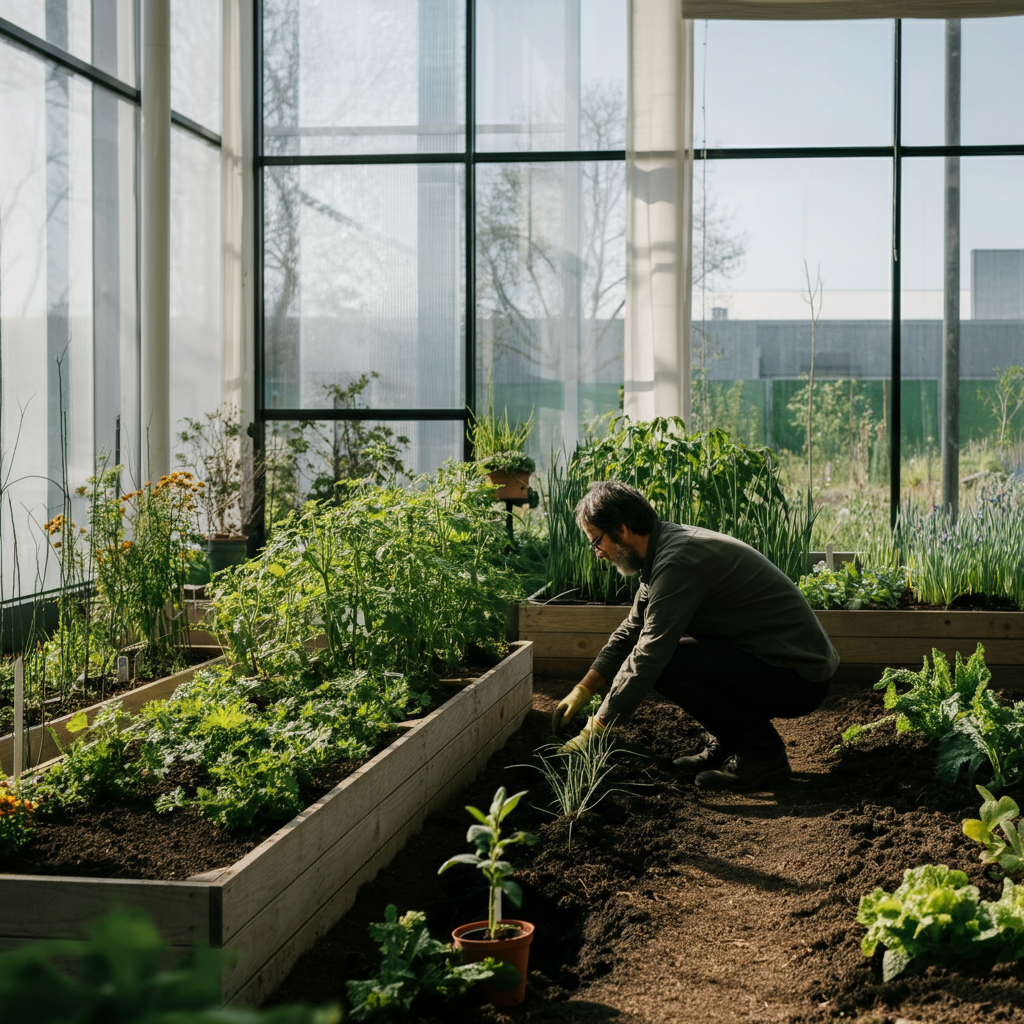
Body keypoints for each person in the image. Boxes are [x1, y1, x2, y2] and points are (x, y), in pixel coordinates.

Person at [552, 480, 839, 791]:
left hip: (798, 677)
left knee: (667, 662)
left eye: (597, 542)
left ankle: (761, 755)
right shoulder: (663, 550)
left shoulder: (678, 561)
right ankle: (729, 745)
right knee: (675, 656)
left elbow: (649, 653)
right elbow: (631, 631)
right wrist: (583, 690)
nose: (598, 554)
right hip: (774, 662)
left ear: (621, 530)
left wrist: (596, 728)